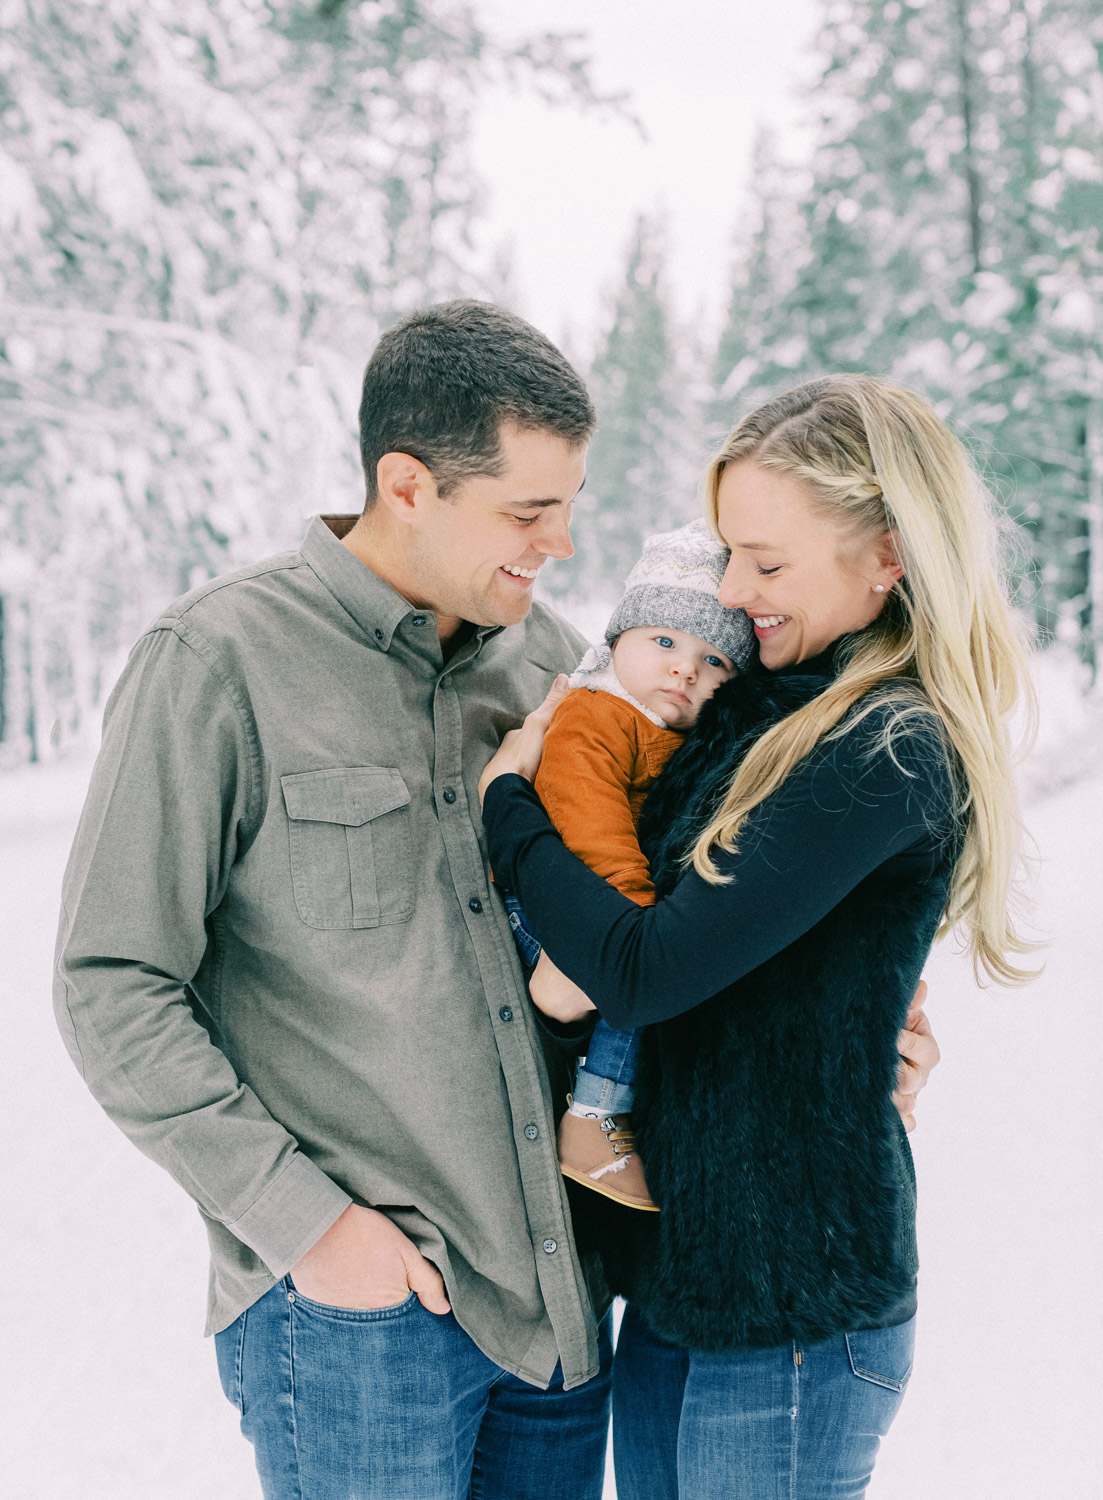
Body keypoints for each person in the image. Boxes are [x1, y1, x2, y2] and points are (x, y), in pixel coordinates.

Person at [53, 303, 939, 1500]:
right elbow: (113, 982)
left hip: (558, 1313)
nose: (561, 544)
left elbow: (695, 905)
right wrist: (309, 1227)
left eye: (569, 504)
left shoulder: (561, 668)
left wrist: (861, 1011)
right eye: (529, 512)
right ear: (406, 484)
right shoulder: (219, 663)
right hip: (367, 1313)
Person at [479, 374, 1034, 1498]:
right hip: (680, 1282)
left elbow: (646, 965)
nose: (734, 591)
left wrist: (507, 813)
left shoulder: (887, 746)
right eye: (730, 553)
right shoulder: (756, 701)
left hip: (790, 1297)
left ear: (886, 554)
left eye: (765, 565)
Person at [504, 518, 755, 1210]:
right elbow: (584, 815)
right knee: (636, 983)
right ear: (618, 642)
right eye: (665, 642)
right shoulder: (596, 715)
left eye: (714, 662)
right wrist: (633, 913)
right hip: (556, 902)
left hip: (601, 900)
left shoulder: (672, 736)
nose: (684, 667)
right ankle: (596, 1116)